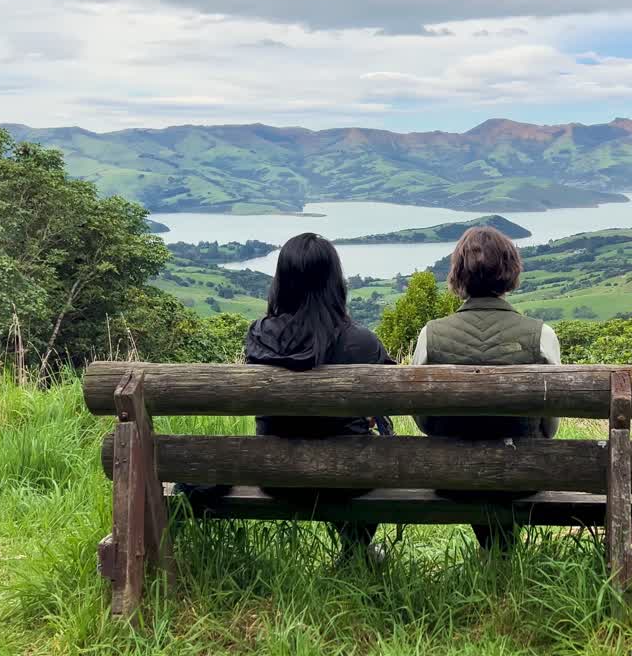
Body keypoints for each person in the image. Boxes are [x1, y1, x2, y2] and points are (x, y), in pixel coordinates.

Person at [179, 233, 394, 564]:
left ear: (282, 281)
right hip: (347, 478)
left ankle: (354, 551)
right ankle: (355, 550)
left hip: (276, 477)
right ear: (335, 282)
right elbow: (392, 400)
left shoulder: (260, 337)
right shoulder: (361, 342)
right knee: (360, 447)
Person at [411, 226, 561, 551]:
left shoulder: (431, 334)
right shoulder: (541, 336)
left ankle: (495, 554)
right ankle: (500, 555)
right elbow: (549, 426)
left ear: (458, 273)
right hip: (522, 477)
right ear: (510, 271)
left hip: (451, 478)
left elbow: (424, 421)